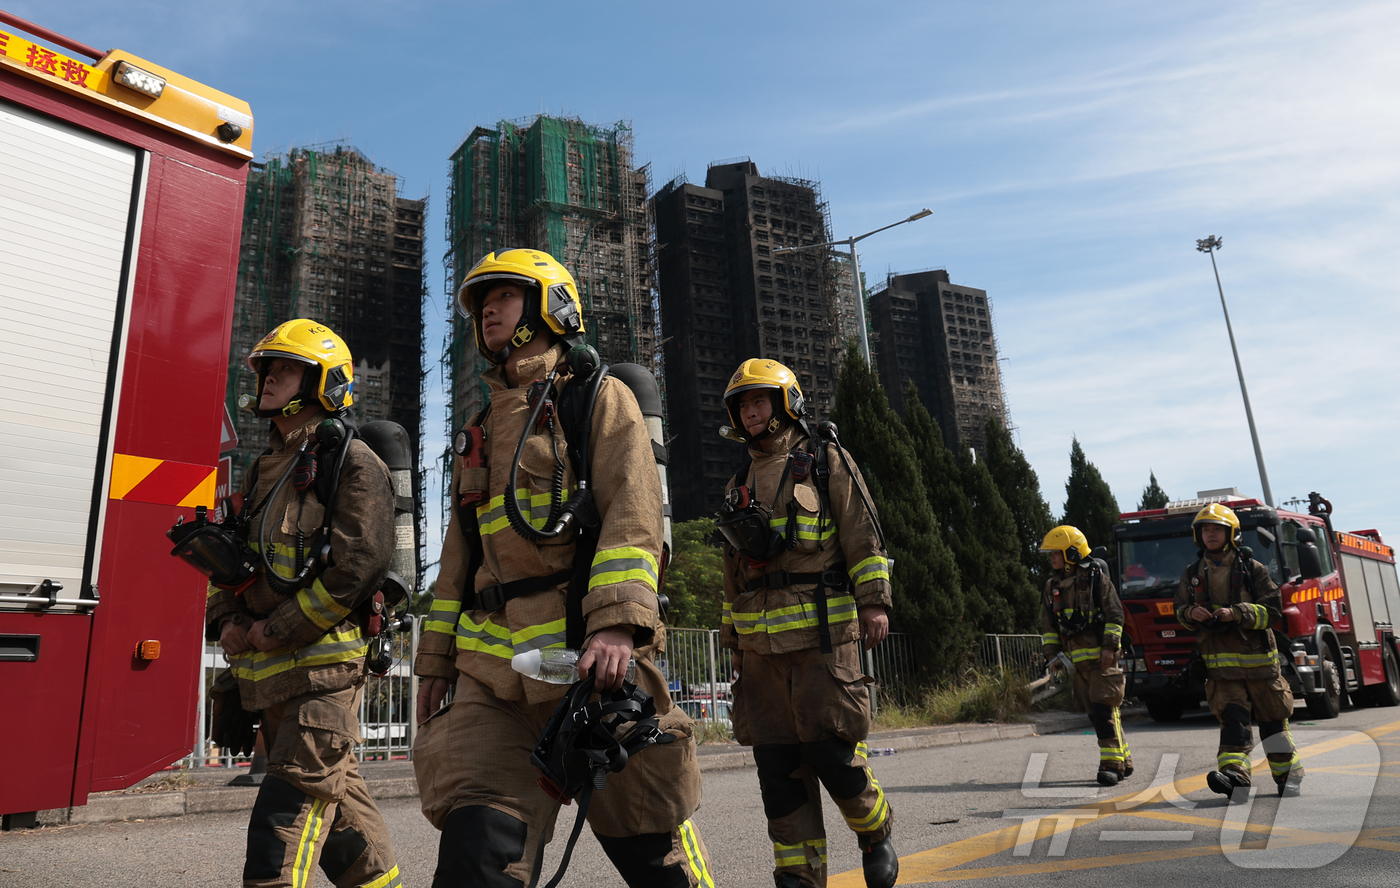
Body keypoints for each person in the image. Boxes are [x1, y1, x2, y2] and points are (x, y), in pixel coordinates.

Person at [413, 248, 713, 888]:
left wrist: (614, 628)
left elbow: (634, 521)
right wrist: (435, 663)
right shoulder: (480, 428)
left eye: (505, 296)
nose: (487, 308)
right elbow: (459, 561)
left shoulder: (599, 399)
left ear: (550, 306)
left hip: (593, 673)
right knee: (476, 858)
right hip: (492, 683)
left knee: (654, 860)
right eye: (480, 302)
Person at [204, 320, 402, 888]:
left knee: (278, 837)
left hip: (324, 680)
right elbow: (233, 564)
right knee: (345, 833)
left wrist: (279, 628)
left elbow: (357, 568)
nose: (268, 378)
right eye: (266, 368)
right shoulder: (265, 469)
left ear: (322, 383)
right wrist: (229, 624)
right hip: (268, 681)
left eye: (284, 369)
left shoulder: (355, 463)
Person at [716, 359, 897, 888]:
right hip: (760, 650)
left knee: (830, 751)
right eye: (742, 405)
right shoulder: (737, 482)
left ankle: (875, 829)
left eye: (759, 401)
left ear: (786, 402)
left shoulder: (825, 460)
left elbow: (863, 532)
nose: (750, 412)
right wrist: (733, 642)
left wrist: (874, 602)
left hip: (823, 638)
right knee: (777, 769)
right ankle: (799, 873)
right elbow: (732, 576)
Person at [1174, 503, 1303, 797]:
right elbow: (1179, 609)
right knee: (1233, 723)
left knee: (1273, 725)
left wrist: (1237, 613)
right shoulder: (1192, 573)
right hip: (1222, 670)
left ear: (1230, 533)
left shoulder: (1252, 569)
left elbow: (1272, 611)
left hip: (1261, 668)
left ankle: (1287, 777)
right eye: (1205, 529)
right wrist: (1190, 614)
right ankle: (1235, 777)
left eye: (1216, 529)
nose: (1210, 534)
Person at [1039, 525, 1133, 785]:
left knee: (1104, 709)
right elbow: (1049, 627)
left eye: (1056, 553)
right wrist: (1052, 656)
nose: (1051, 558)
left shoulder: (1095, 578)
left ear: (1071, 552)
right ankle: (1124, 759)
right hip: (1075, 664)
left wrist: (1109, 647)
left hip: (1102, 660)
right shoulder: (1051, 586)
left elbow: (1115, 615)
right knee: (1094, 712)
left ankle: (1111, 765)